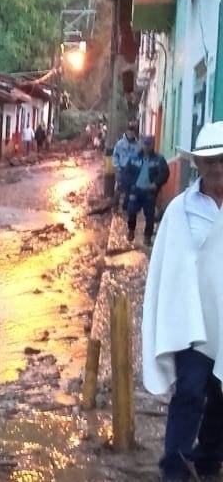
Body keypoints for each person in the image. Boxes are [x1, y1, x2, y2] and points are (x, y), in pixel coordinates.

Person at [142, 121, 223, 481]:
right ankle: (174, 469)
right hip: (194, 325)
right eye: (210, 161)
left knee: (220, 398)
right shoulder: (180, 211)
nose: (217, 167)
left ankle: (208, 462)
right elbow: (169, 270)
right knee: (189, 393)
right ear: (198, 164)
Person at [122, 135, 170, 245]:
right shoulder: (134, 157)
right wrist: (130, 185)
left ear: (153, 145)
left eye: (149, 144)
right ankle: (131, 230)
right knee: (131, 211)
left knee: (149, 215)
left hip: (149, 192)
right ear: (141, 144)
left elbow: (165, 173)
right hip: (135, 190)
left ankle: (147, 236)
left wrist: (156, 183)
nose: (146, 146)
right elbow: (126, 173)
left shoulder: (159, 159)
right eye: (145, 144)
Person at [113, 120, 141, 208]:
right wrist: (117, 166)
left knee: (130, 188)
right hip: (121, 168)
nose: (131, 134)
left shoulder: (137, 145)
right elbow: (115, 155)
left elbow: (139, 157)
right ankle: (115, 206)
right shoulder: (120, 144)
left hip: (132, 170)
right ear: (126, 132)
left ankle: (125, 207)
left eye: (132, 132)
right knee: (119, 187)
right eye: (129, 132)